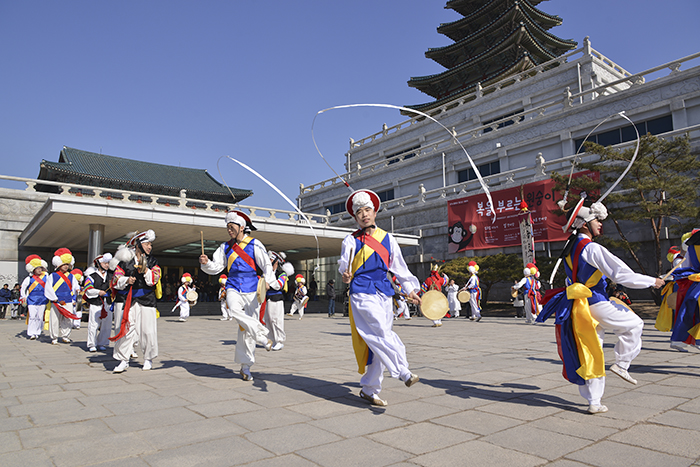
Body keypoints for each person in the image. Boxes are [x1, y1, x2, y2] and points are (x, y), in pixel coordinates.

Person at [537, 198, 664, 414]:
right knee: (635, 324)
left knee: (592, 351)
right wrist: (653, 281)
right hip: (595, 303)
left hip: (580, 307)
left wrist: (612, 289)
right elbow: (621, 272)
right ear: (585, 223)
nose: (600, 224)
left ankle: (594, 401)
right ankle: (622, 364)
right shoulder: (591, 247)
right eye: (596, 220)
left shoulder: (571, 248)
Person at [339, 189, 422, 407]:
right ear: (355, 217)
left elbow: (399, 268)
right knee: (380, 331)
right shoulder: (350, 240)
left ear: (375, 212)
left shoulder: (388, 239)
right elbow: (344, 265)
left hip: (384, 292)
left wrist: (411, 289)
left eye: (368, 210)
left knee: (380, 340)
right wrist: (345, 276)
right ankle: (402, 370)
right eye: (360, 212)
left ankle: (369, 389)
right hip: (361, 291)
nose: (364, 214)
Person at [199, 210, 277, 382]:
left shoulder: (255, 244)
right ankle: (262, 336)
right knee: (234, 310)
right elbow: (217, 266)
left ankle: (246, 367)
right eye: (227, 227)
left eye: (232, 226)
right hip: (233, 285)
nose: (229, 230)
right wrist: (206, 264)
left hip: (252, 288)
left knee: (245, 330)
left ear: (242, 227)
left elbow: (266, 265)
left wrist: (269, 280)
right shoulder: (224, 247)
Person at [110, 230, 162, 373]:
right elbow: (115, 280)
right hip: (129, 299)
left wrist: (145, 271)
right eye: (147, 243)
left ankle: (148, 359)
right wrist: (127, 280)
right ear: (138, 244)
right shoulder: (125, 261)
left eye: (151, 244)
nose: (150, 247)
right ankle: (123, 360)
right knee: (126, 329)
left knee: (148, 331)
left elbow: (154, 280)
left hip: (147, 299)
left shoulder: (152, 261)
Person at [669, 229, 700, 351]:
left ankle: (687, 338)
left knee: (689, 310)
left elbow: (687, 266)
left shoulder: (692, 247)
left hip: (695, 285)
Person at [44, 248, 81, 345]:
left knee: (68, 319)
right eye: (63, 264)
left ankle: (65, 336)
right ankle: (54, 337)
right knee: (55, 319)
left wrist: (77, 289)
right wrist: (54, 298)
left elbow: (75, 285)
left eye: (67, 265)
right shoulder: (53, 275)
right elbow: (48, 288)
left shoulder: (71, 276)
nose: (65, 266)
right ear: (59, 265)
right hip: (57, 301)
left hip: (68, 300)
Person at [83, 253, 114, 352]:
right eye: (105, 263)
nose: (107, 265)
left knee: (107, 324)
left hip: (107, 302)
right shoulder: (91, 276)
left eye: (108, 263)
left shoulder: (111, 275)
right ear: (99, 264)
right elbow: (88, 289)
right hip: (96, 302)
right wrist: (98, 292)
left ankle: (102, 342)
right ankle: (92, 344)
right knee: (94, 323)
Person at [266, 250, 293, 350]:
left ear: (276, 261)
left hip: (277, 299)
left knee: (276, 320)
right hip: (268, 299)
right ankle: (271, 340)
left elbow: (279, 285)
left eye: (271, 259)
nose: (269, 260)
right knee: (268, 321)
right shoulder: (267, 273)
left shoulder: (282, 273)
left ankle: (280, 341)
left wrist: (268, 283)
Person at [20, 255, 49, 340]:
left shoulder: (46, 277)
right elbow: (23, 287)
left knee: (40, 317)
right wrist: (23, 296)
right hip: (32, 299)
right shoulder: (29, 278)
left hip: (42, 299)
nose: (39, 270)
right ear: (33, 269)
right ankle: (31, 333)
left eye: (40, 268)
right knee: (33, 316)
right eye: (37, 268)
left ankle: (37, 332)